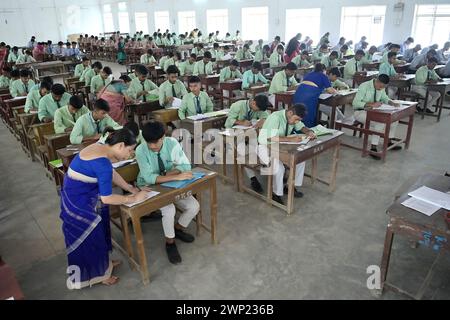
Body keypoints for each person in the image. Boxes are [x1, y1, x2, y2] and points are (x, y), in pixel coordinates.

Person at [61, 127, 151, 289]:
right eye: (130, 150)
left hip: (85, 193)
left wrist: (131, 188)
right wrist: (133, 198)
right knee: (90, 236)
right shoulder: (102, 162)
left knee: (99, 231)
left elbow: (111, 173)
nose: (131, 155)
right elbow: (107, 198)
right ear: (121, 145)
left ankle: (104, 264)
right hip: (79, 199)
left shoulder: (103, 148)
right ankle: (97, 276)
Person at [135, 121, 199, 264]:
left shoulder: (172, 143)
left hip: (170, 183)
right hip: (149, 187)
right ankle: (170, 242)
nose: (152, 146)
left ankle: (177, 230)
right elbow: (149, 178)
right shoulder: (140, 150)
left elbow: (186, 165)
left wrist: (173, 173)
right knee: (169, 209)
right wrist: (175, 175)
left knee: (194, 206)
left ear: (163, 136)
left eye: (155, 142)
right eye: (149, 143)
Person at [257, 104, 316, 204]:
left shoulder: (292, 118)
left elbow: (302, 127)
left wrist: (309, 132)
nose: (297, 122)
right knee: (279, 167)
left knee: (300, 160)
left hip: (281, 147)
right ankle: (276, 194)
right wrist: (290, 139)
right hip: (265, 147)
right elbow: (269, 138)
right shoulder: (275, 118)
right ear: (290, 113)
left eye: (298, 119)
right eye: (296, 119)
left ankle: (290, 187)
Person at [352, 74, 401, 160]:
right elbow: (355, 103)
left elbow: (384, 97)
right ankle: (373, 148)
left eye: (383, 87)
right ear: (377, 81)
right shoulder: (364, 86)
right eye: (380, 87)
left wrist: (391, 102)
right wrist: (372, 104)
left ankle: (388, 142)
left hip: (374, 111)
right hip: (361, 112)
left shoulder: (381, 87)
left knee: (394, 120)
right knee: (380, 122)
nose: (381, 89)